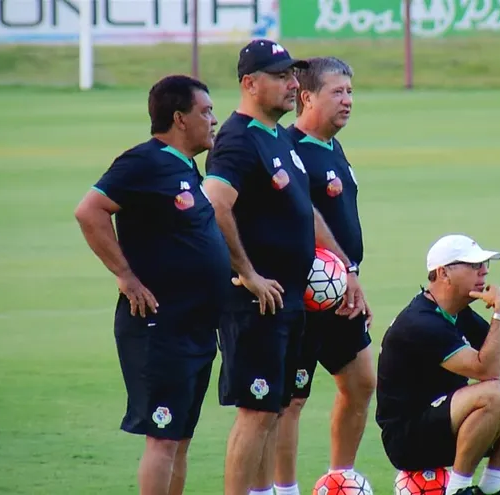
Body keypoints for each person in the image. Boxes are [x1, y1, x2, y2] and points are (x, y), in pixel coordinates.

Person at [74, 75, 230, 495]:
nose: (214, 119)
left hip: (194, 328)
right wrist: (126, 276)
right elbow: (89, 211)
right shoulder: (144, 162)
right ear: (179, 119)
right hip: (159, 328)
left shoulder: (185, 168)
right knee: (162, 439)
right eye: (206, 111)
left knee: (179, 439)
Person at [375, 234, 500, 495]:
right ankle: (457, 490)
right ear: (443, 273)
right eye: (474, 266)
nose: (484, 271)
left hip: (450, 424)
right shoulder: (419, 323)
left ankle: (492, 487)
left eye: (485, 265)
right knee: (497, 393)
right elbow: (487, 370)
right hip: (409, 439)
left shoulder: (457, 314)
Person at [201, 39, 316, 495]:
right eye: (281, 76)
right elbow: (215, 206)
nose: (293, 84)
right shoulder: (237, 139)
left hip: (286, 297)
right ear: (250, 83)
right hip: (255, 303)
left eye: (294, 74)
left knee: (273, 409)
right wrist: (247, 273)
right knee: (255, 411)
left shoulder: (279, 136)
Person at [271, 56, 375, 495]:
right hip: (307, 296)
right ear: (307, 96)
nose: (348, 100)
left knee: (362, 382)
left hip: (343, 290)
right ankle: (285, 488)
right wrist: (339, 271)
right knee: (291, 400)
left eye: (350, 91)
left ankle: (340, 479)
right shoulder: (289, 147)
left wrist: (353, 277)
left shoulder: (332, 145)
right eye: (338, 92)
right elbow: (297, 218)